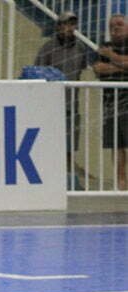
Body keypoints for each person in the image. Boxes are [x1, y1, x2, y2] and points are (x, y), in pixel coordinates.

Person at [34, 11, 93, 190]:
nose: (69, 28)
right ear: (58, 26)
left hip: (71, 104)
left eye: (72, 24)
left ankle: (69, 181)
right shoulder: (48, 48)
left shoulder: (81, 48)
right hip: (51, 104)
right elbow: (37, 72)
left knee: (70, 145)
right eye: (65, 24)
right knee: (49, 143)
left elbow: (81, 70)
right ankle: (48, 179)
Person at [93, 13, 128, 191]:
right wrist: (120, 64)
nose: (115, 28)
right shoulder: (104, 46)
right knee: (116, 144)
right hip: (110, 104)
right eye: (112, 26)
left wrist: (111, 56)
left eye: (119, 24)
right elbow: (98, 69)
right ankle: (121, 182)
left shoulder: (108, 50)